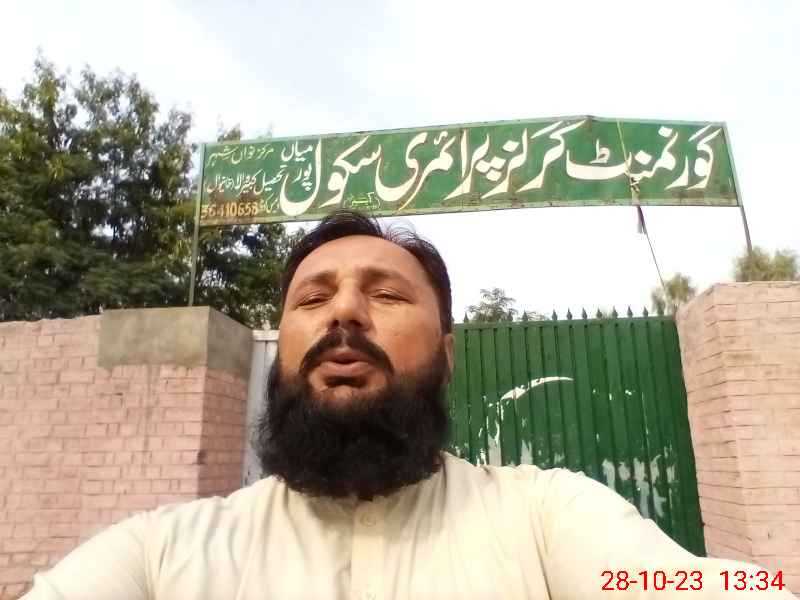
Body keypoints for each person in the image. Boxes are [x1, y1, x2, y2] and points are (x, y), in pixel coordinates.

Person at [22, 210, 794, 599]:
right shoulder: (164, 555)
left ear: (447, 355)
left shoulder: (546, 517)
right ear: (283, 347)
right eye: (313, 298)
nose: (343, 313)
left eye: (386, 294)